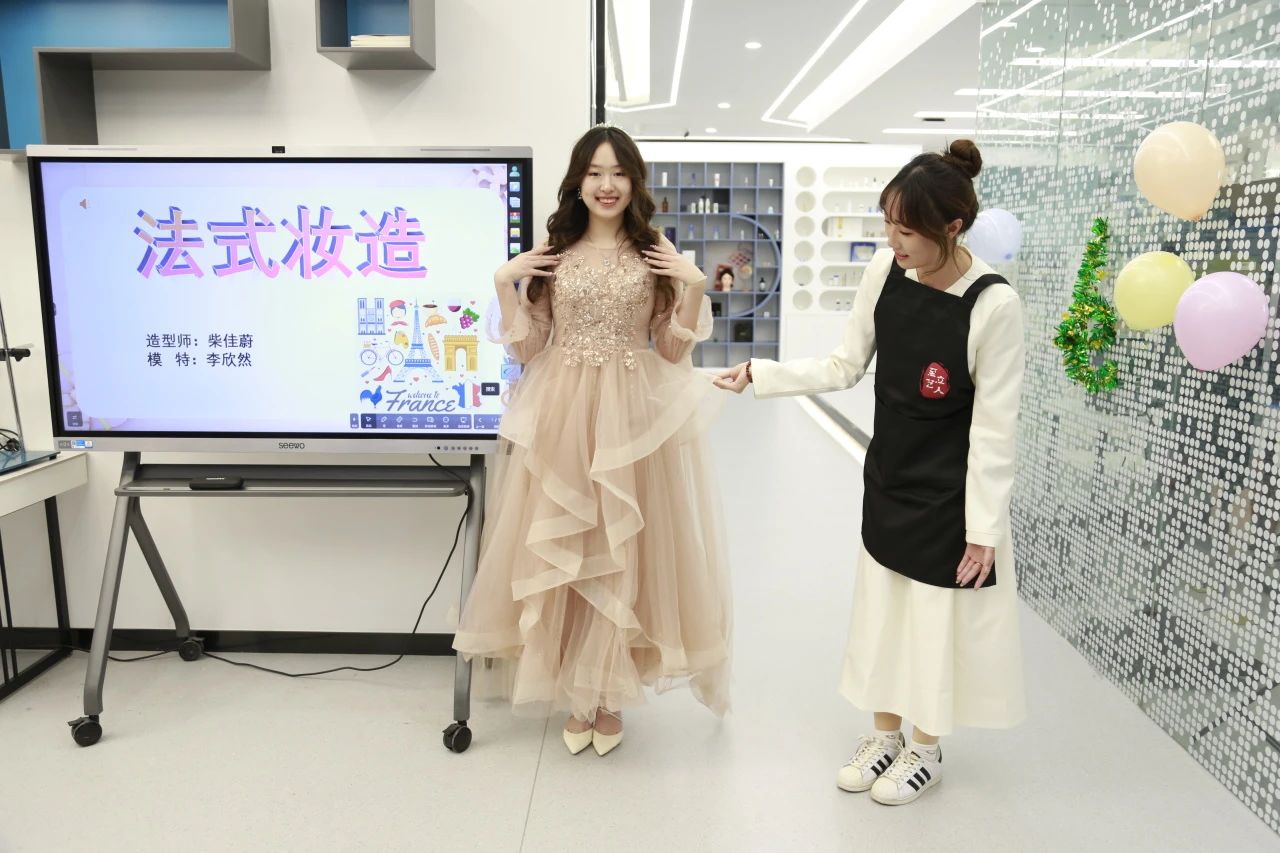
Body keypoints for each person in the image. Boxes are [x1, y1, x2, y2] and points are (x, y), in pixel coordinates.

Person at [717, 139, 1026, 805]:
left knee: (934, 627)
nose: (893, 241)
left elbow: (995, 430)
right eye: (888, 224)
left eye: (907, 230)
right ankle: (884, 736)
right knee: (883, 616)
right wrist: (761, 374)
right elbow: (845, 365)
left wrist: (984, 530)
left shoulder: (994, 305)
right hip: (889, 476)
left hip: (950, 495)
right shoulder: (885, 270)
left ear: (953, 227)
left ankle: (925, 749)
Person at [453, 126, 731, 757]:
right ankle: (579, 694)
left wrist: (693, 287)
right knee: (568, 545)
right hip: (562, 413)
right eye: (595, 173)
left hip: (630, 416)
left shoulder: (655, 251)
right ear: (578, 181)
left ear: (634, 181)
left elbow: (670, 350)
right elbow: (529, 349)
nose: (607, 185)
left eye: (619, 173)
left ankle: (608, 694)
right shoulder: (553, 252)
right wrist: (504, 283)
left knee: (620, 546)